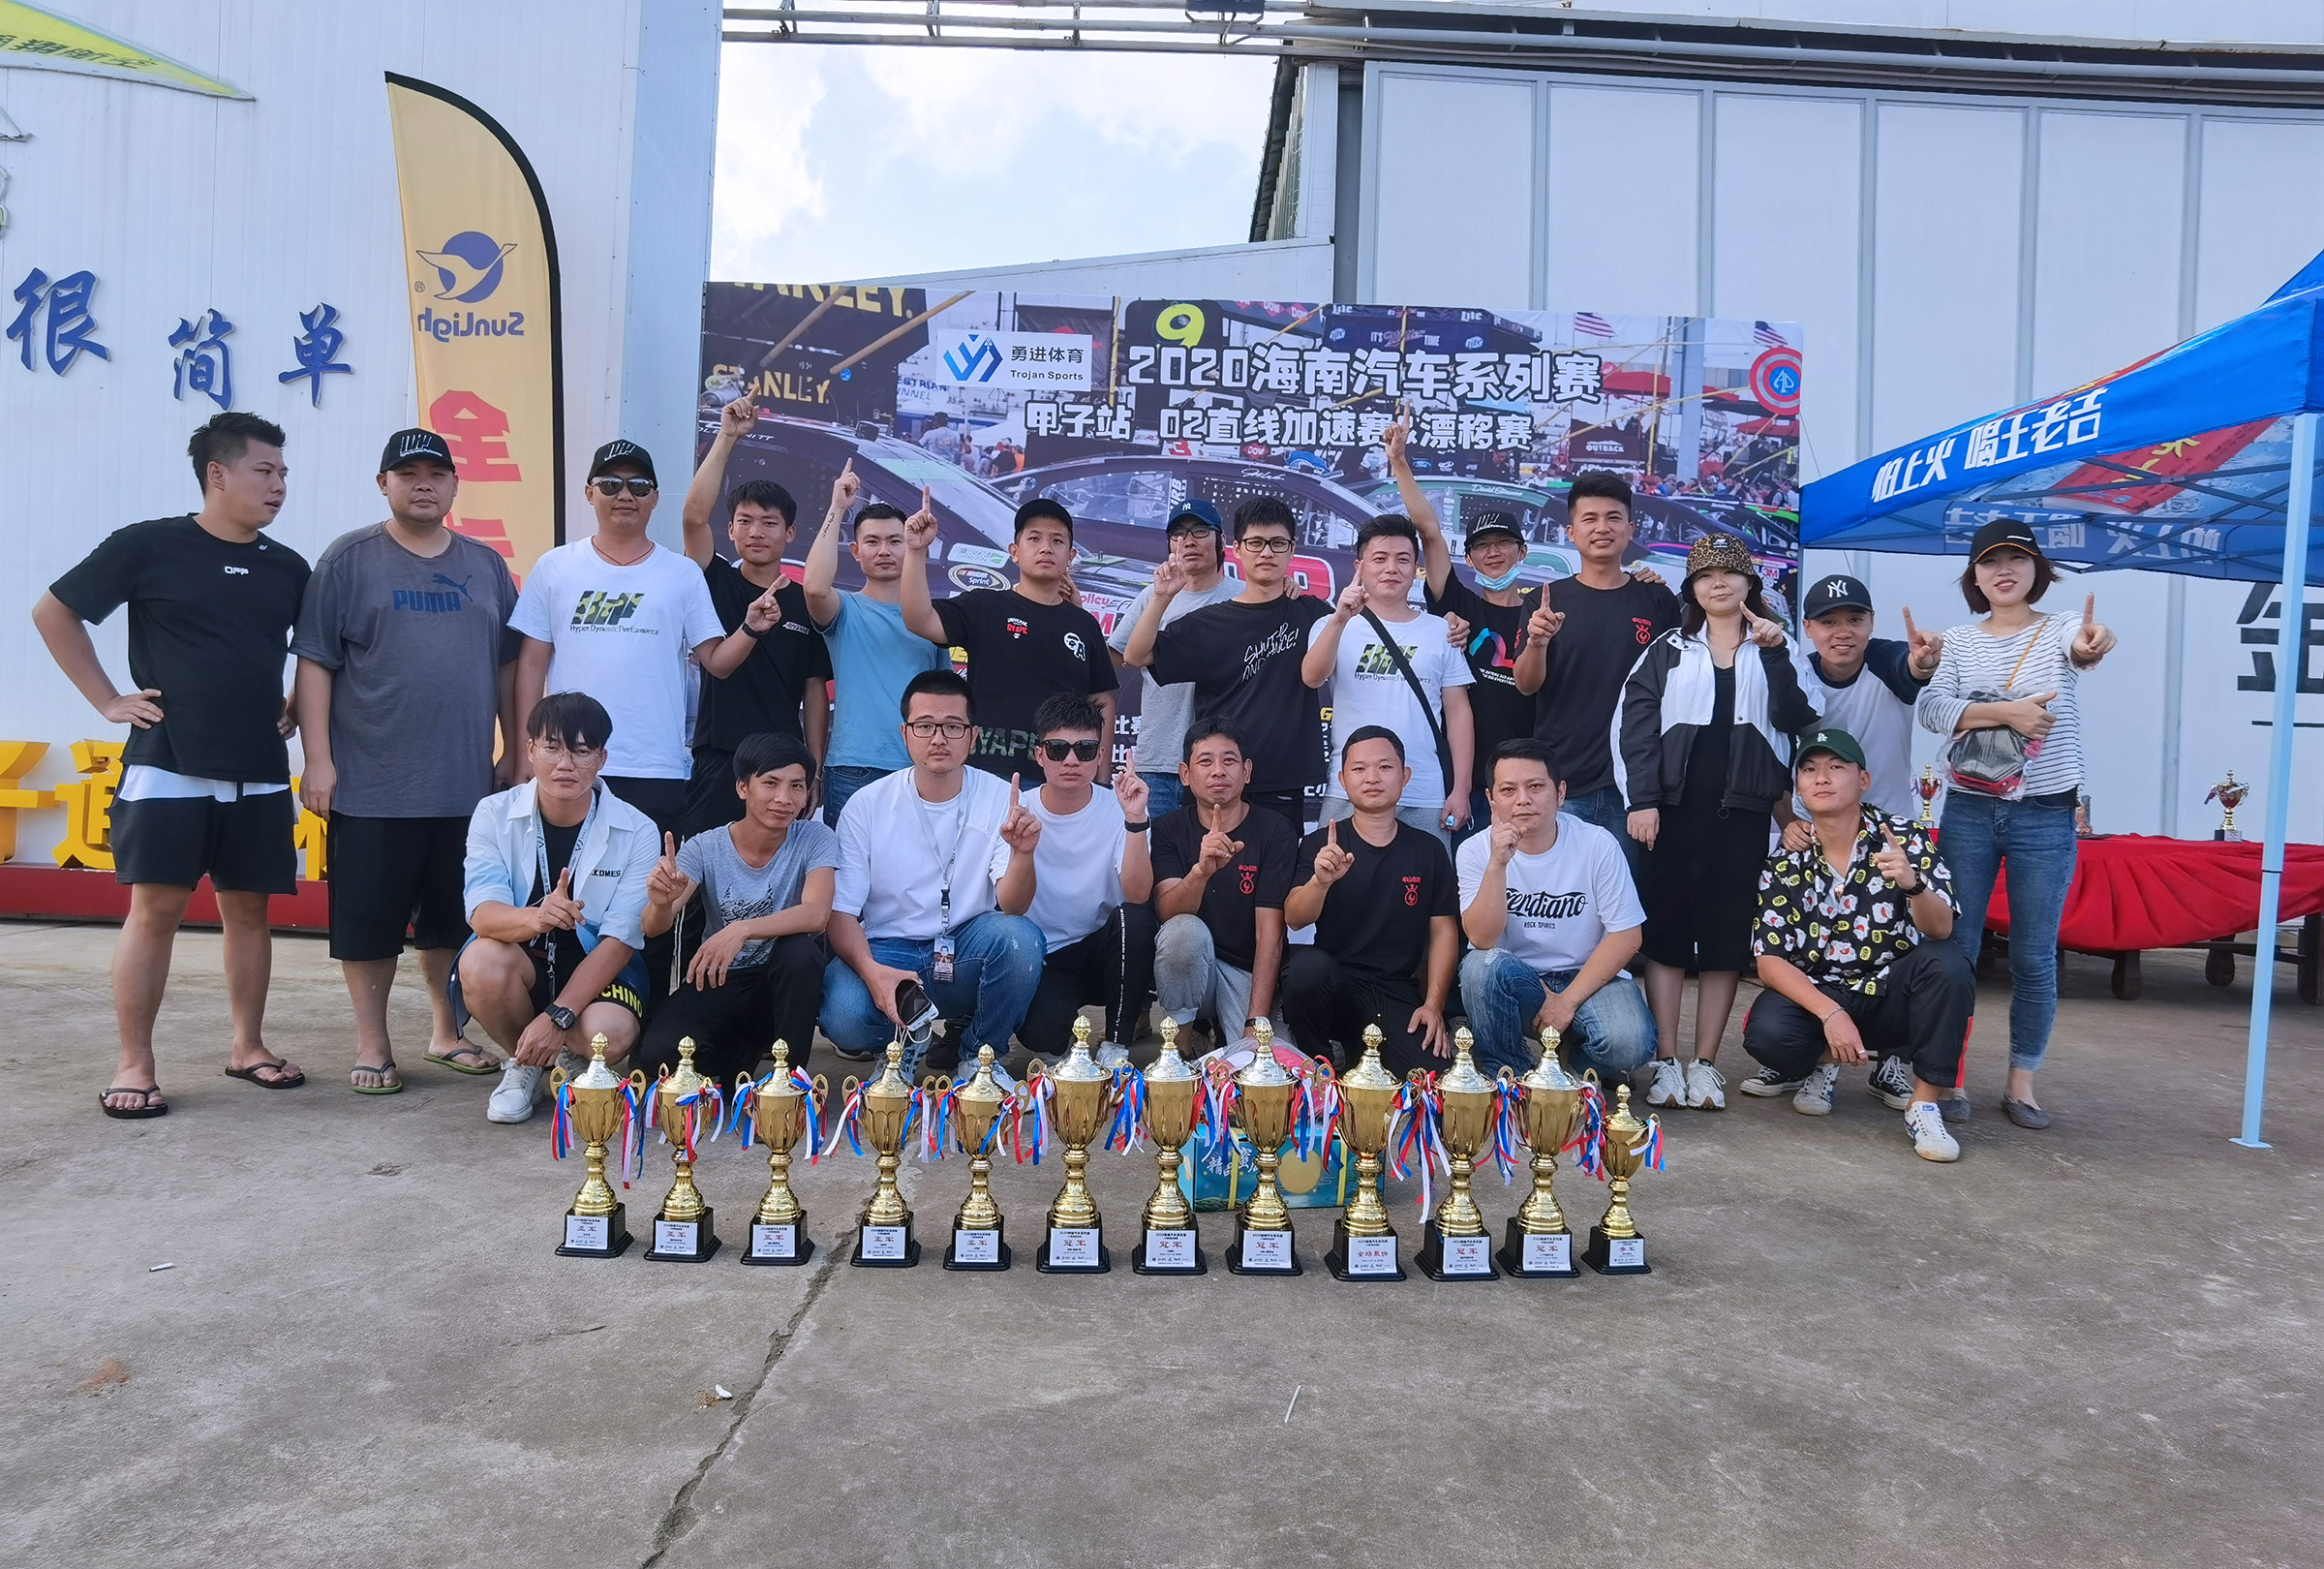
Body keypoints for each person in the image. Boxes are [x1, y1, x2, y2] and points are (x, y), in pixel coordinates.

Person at [35, 413, 311, 1118]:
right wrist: (107, 700)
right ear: (217, 474)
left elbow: (310, 655)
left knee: (249, 911)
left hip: (258, 767)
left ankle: (248, 1046)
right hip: (168, 763)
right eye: (264, 471)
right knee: (155, 910)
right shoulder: (148, 544)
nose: (279, 485)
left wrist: (294, 705)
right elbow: (53, 613)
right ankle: (134, 1062)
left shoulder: (288, 567)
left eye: (283, 473)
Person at [291, 428, 520, 1094]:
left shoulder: (486, 565)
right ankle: (373, 1044)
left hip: (464, 785)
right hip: (372, 784)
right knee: (369, 924)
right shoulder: (348, 560)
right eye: (408, 473)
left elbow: (508, 666)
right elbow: (315, 662)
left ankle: (447, 1032)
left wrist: (513, 749)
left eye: (436, 473)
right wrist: (317, 760)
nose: (424, 483)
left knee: (451, 920)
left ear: (454, 485)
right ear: (383, 484)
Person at [1916, 518, 2117, 1129]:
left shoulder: (2060, 629)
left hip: (2047, 814)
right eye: (1989, 561)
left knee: (2033, 957)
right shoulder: (1957, 640)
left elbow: (2085, 647)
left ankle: (2021, 1084)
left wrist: (2092, 644)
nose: (2003, 571)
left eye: (2017, 559)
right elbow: (1932, 708)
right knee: (1957, 951)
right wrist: (2009, 713)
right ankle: (1946, 1077)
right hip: (1969, 809)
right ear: (1974, 576)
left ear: (2037, 570)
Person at [1614, 534, 1819, 1112]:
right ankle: (1666, 1060)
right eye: (1706, 576)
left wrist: (1774, 652)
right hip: (1671, 813)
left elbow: (1798, 718)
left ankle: (1705, 1065)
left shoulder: (1778, 646)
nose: (1719, 584)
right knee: (1667, 938)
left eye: (1730, 574)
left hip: (1744, 815)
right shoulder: (1668, 648)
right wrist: (1642, 800)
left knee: (1726, 941)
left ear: (1750, 583)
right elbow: (1633, 727)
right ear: (1693, 589)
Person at [1740, 727, 1973, 1163]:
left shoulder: (1904, 836)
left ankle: (1923, 1105)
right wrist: (1831, 1013)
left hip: (1890, 992)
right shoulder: (1786, 858)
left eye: (1836, 767)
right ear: (1798, 787)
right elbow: (1769, 961)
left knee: (1950, 964)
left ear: (1863, 779)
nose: (1821, 778)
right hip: (1823, 992)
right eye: (1809, 769)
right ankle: (1825, 1062)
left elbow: (1941, 929)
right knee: (1767, 1032)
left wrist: (1912, 884)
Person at [821, 669, 1046, 1078]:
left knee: (1020, 940)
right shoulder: (867, 805)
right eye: (924, 726)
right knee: (844, 1014)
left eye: (952, 726)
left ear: (973, 737)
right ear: (905, 734)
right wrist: (873, 974)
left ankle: (980, 1057)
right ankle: (904, 1043)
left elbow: (1013, 906)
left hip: (965, 946)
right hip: (888, 949)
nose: (938, 738)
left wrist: (1022, 854)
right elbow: (841, 914)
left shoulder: (1001, 797)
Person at [456, 693, 657, 1124]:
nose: (565, 764)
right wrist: (536, 917)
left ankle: (568, 1053)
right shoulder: (493, 813)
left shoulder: (638, 829)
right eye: (552, 747)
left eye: (581, 751)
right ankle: (526, 1064)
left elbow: (621, 940)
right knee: (481, 962)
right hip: (525, 963)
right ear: (530, 750)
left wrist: (557, 1017)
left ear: (601, 758)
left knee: (611, 1033)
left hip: (600, 971)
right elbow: (482, 913)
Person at [510, 440, 723, 839]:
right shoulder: (555, 567)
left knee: (650, 879)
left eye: (639, 486)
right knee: (563, 876)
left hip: (654, 766)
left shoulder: (683, 574)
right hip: (568, 763)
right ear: (589, 493)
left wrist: (752, 627)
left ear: (655, 498)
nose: (625, 495)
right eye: (610, 484)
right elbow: (532, 663)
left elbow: (717, 658)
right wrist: (527, 748)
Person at [636, 731, 838, 1084]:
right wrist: (660, 903)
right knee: (656, 1058)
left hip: (782, 987)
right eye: (771, 783)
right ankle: (739, 1054)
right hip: (722, 977)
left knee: (800, 953)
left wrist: (741, 929)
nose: (784, 798)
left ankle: (790, 1082)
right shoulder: (704, 847)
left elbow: (816, 914)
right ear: (743, 787)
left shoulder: (815, 838)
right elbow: (653, 927)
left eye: (796, 786)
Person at [1123, 498, 1330, 829]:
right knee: (1205, 862)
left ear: (1292, 549)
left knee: (1277, 863)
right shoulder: (1207, 622)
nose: (1266, 553)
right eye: (1256, 543)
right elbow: (1136, 655)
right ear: (1237, 549)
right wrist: (1162, 597)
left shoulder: (1311, 613)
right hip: (1216, 780)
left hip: (1281, 779)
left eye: (1277, 543)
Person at [1456, 739, 1656, 1082]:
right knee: (1478, 967)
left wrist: (1566, 1002)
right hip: (1518, 981)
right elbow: (1481, 939)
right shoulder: (1474, 850)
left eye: (1536, 787)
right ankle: (1510, 1077)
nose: (1523, 799)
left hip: (1588, 976)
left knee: (1630, 1044)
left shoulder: (1597, 844)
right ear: (1491, 799)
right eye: (1508, 790)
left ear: (1560, 793)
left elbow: (1627, 935)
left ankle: (1568, 1068)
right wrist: (1497, 865)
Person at [678, 397, 832, 836]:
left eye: (769, 522)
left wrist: (813, 768)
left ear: (790, 533)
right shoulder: (713, 578)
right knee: (702, 865)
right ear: (730, 530)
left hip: (781, 761)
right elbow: (693, 518)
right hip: (719, 753)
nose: (756, 532)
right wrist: (727, 436)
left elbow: (814, 691)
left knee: (775, 869)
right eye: (744, 521)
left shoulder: (806, 601)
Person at [1514, 471, 1679, 875]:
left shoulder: (1657, 599)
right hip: (1563, 782)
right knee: (1560, 898)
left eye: (1613, 518)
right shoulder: (1545, 600)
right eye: (1589, 519)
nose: (1602, 528)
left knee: (1623, 901)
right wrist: (1537, 642)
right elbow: (1525, 685)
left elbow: (1675, 689)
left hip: (1635, 787)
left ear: (1630, 530)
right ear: (1571, 532)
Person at [900, 495, 1117, 783]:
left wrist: (1100, 781)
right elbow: (920, 620)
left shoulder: (1084, 623)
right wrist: (915, 551)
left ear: (1071, 555)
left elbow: (1101, 700)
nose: (1046, 548)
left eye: (1057, 541)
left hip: (1062, 778)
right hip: (987, 774)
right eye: (1034, 538)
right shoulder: (985, 606)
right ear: (1014, 551)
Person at [1279, 727, 1459, 1076]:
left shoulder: (1429, 851)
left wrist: (1434, 1006)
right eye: (1359, 769)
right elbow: (1295, 917)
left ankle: (1360, 1057)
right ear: (1343, 780)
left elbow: (1443, 933)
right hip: (1336, 987)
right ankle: (1321, 1065)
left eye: (1385, 767)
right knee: (1306, 970)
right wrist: (1320, 881)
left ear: (1405, 776)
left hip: (1395, 991)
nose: (1372, 778)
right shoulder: (1321, 845)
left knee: (1431, 1081)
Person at [1391, 415, 1539, 831]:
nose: (1494, 553)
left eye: (1503, 543)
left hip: (1530, 780)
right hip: (1468, 784)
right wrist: (1399, 462)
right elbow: (1429, 532)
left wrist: (1644, 579)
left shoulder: (1543, 614)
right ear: (1469, 559)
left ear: (1522, 551)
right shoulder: (1459, 606)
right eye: (1482, 546)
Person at [1301, 514, 1476, 846]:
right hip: (1350, 790)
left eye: (1403, 560)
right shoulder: (1331, 625)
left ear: (1416, 568)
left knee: (1427, 878)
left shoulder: (1442, 631)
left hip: (1425, 791)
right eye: (1380, 559)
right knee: (1332, 874)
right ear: (1359, 567)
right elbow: (1312, 677)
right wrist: (1339, 619)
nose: (1391, 569)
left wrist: (1461, 790)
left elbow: (1458, 713)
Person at [801, 464, 945, 827]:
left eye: (895, 541)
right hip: (854, 766)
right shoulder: (844, 609)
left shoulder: (933, 620)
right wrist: (838, 507)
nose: (884, 551)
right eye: (872, 542)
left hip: (921, 766)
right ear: (855, 550)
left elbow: (945, 697)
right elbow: (814, 587)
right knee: (849, 866)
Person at [1016, 693, 1156, 1064]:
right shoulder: (1019, 809)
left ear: (1100, 754)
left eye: (1085, 749)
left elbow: (1138, 896)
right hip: (1048, 956)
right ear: (1040, 754)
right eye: (1058, 749)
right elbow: (1007, 905)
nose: (1071, 760)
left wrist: (1136, 820)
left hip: (1105, 950)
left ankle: (1116, 1043)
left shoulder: (1122, 807)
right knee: (1040, 1035)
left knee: (1134, 919)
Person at [1149, 719, 1294, 1053]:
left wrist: (1255, 1021)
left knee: (1267, 1061)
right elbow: (1167, 912)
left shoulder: (1275, 829)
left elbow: (1270, 932)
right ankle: (1179, 1051)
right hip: (1190, 969)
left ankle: (1227, 1032)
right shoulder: (1168, 828)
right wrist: (1201, 872)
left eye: (1229, 760)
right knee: (1183, 931)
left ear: (1247, 771)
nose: (1218, 771)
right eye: (1205, 761)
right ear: (1185, 774)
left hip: (1246, 971)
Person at [1106, 499, 1239, 818]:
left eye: (1200, 531)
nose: (1188, 541)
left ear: (1221, 540)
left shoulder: (1244, 596)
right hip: (1157, 762)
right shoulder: (1153, 596)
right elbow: (1115, 657)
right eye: (1178, 533)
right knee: (1150, 849)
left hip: (1218, 765)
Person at [1788, 573, 1943, 821]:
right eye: (1828, 622)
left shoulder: (1885, 660)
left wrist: (1924, 663)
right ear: (1807, 627)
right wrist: (1789, 821)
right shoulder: (1798, 675)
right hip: (1817, 826)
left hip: (1891, 826)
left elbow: (1910, 666)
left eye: (1855, 620)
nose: (1843, 632)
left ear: (1871, 621)